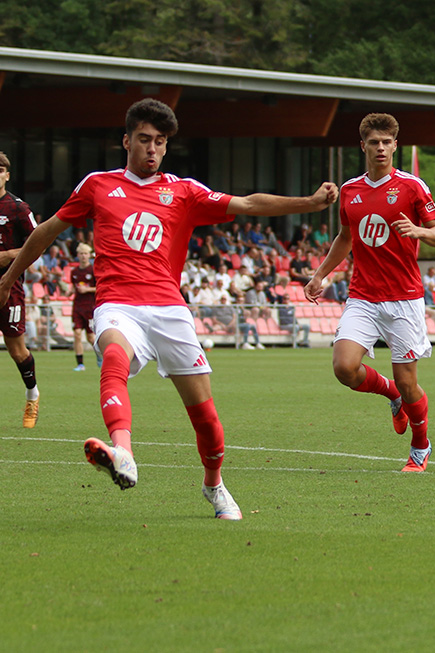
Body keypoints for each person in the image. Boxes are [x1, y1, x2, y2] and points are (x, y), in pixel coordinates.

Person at [0, 98, 338, 519]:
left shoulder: (184, 191)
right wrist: (10, 276)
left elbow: (248, 204)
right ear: (126, 141)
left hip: (170, 310)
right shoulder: (97, 185)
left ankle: (214, 485)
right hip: (117, 304)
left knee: (207, 421)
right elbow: (48, 230)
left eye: (160, 142)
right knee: (114, 358)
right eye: (144, 140)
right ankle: (123, 452)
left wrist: (309, 202)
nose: (152, 149)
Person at [304, 112, 435, 472]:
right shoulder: (351, 190)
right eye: (374, 142)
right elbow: (345, 237)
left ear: (396, 146)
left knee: (409, 381)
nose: (380, 148)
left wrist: (420, 232)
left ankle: (420, 446)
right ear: (363, 146)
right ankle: (391, 394)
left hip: (404, 298)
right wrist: (320, 274)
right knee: (344, 367)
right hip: (363, 296)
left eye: (387, 142)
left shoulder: (413, 187)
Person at [0, 151, 41, 427]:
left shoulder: (17, 208)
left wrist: (8, 255)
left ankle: (32, 395)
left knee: (17, 351)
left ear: (7, 174)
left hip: (9, 286)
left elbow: (37, 243)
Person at [70, 243, 99, 371]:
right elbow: (74, 286)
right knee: (76, 334)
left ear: (89, 255)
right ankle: (80, 364)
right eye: (81, 254)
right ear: (78, 255)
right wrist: (70, 291)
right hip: (77, 306)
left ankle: (100, 355)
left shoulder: (93, 270)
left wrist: (87, 290)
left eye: (85, 254)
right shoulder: (74, 272)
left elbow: (100, 288)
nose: (83, 256)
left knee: (91, 337)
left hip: (90, 306)